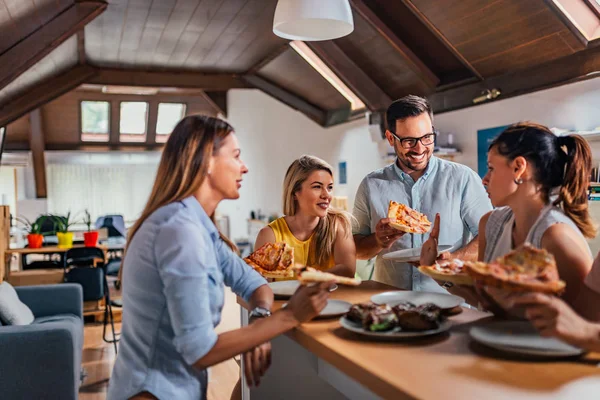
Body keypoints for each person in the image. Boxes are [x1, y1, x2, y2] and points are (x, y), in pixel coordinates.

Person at [107, 116, 331, 400]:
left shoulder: (197, 224)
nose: (244, 167)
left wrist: (261, 322)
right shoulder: (179, 231)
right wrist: (288, 316)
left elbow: (252, 282)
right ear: (207, 161)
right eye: (236, 156)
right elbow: (200, 351)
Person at [422, 122, 595, 314]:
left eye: (491, 168)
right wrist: (434, 270)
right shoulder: (491, 224)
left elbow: (586, 327)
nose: (484, 179)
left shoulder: (557, 236)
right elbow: (486, 302)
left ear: (519, 168)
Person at [353, 95, 492, 291]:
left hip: (450, 300)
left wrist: (452, 260)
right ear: (391, 138)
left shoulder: (463, 178)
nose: (420, 148)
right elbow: (357, 249)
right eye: (409, 141)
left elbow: (489, 235)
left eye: (427, 138)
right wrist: (377, 240)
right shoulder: (371, 185)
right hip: (391, 302)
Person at [255, 155, 356, 278]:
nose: (326, 195)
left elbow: (348, 270)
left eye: (329, 187)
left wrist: (307, 279)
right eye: (317, 187)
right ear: (294, 193)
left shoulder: (338, 224)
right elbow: (258, 287)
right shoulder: (270, 235)